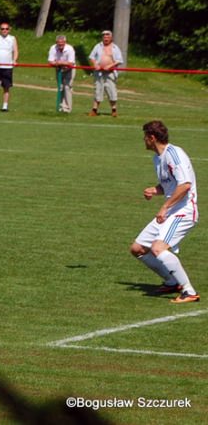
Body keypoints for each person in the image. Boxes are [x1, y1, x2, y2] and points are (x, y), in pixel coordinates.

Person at [129, 121, 200, 304]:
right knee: (137, 249)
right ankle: (171, 281)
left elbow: (185, 185)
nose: (143, 140)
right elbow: (171, 184)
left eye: (145, 137)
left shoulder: (174, 155)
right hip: (171, 210)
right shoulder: (157, 158)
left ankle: (189, 291)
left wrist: (165, 206)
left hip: (183, 211)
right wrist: (156, 189)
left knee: (158, 248)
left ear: (152, 138)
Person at [89, 30, 123, 117]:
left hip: (110, 73)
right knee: (98, 90)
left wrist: (110, 66)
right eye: (104, 37)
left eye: (107, 37)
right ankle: (94, 110)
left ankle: (114, 110)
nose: (106, 38)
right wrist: (95, 64)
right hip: (99, 72)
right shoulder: (98, 46)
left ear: (111, 38)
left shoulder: (115, 48)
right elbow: (92, 57)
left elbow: (119, 60)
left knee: (111, 91)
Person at [47, 35, 76, 113]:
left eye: (62, 44)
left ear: (65, 42)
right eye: (59, 44)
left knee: (67, 87)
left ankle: (67, 108)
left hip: (69, 70)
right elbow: (50, 61)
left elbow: (71, 63)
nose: (60, 45)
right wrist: (58, 64)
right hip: (59, 69)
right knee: (60, 87)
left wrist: (60, 62)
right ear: (56, 43)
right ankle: (60, 107)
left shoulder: (70, 49)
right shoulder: (53, 48)